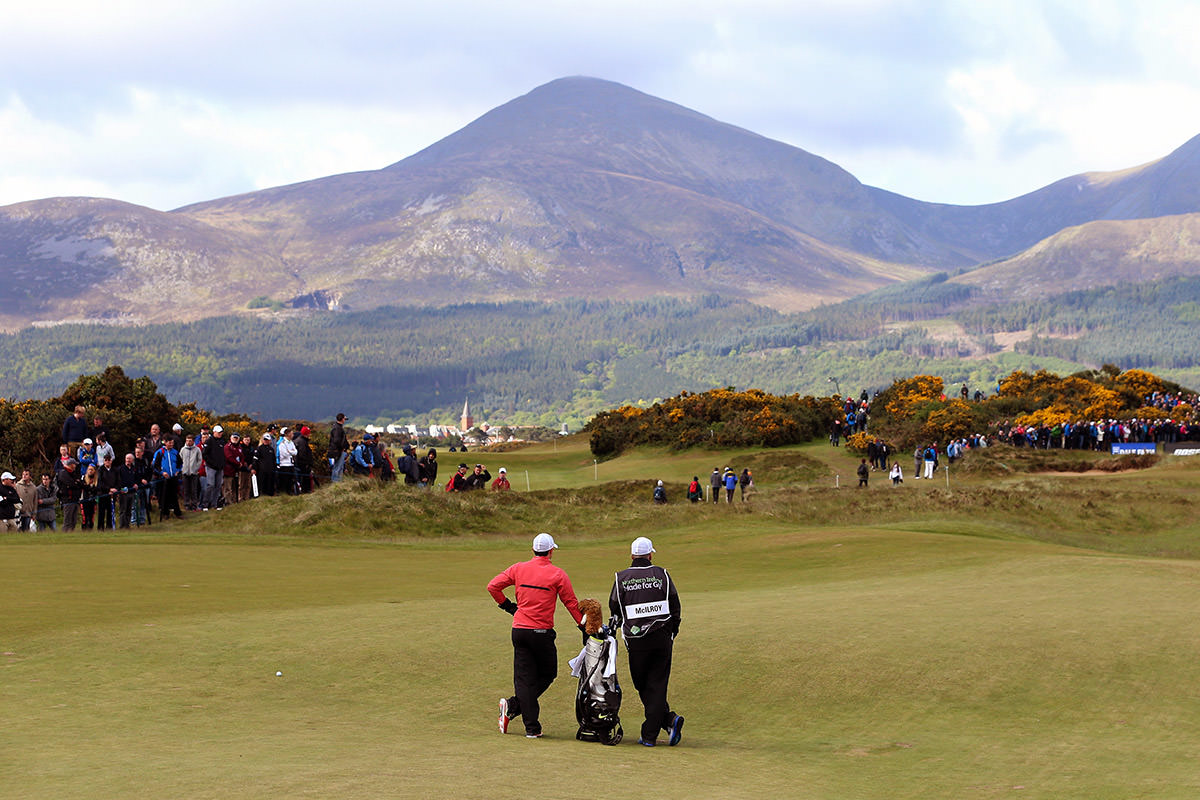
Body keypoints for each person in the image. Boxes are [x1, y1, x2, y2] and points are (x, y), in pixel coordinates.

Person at [487, 532, 584, 739]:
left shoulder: (518, 568)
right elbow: (571, 604)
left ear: (533, 550)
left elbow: (493, 586)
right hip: (542, 633)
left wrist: (509, 607)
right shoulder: (558, 574)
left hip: (520, 631)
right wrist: (584, 628)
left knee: (524, 680)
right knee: (547, 674)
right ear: (550, 552)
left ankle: (517, 709)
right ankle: (527, 722)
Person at [608, 536, 684, 747]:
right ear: (650, 555)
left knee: (643, 684)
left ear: (632, 555)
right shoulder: (662, 574)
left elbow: (615, 607)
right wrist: (672, 631)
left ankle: (650, 734)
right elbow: (675, 605)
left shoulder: (620, 578)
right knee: (655, 685)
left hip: (635, 640)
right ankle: (668, 720)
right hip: (662, 637)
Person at [153, 438, 183, 520]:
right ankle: (165, 513)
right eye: (169, 442)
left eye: (172, 443)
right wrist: (162, 473)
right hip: (163, 478)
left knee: (174, 495)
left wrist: (178, 471)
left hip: (173, 477)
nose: (171, 444)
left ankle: (178, 513)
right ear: (165, 442)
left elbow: (180, 463)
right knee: (164, 496)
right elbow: (155, 466)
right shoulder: (160, 452)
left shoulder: (175, 452)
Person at [202, 425, 227, 509]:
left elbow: (223, 454)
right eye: (219, 432)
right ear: (214, 432)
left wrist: (223, 463)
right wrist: (212, 463)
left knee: (218, 486)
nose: (220, 434)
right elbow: (205, 454)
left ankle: (214, 504)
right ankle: (205, 504)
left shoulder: (222, 441)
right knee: (210, 485)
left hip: (220, 468)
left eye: (221, 432)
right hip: (211, 467)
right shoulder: (209, 441)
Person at [57, 459, 82, 531]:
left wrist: (77, 483)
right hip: (68, 500)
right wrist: (76, 483)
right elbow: (72, 483)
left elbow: (78, 483)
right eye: (74, 464)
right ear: (71, 465)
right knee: (67, 521)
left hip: (75, 500)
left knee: (73, 521)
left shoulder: (73, 473)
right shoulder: (63, 473)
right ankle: (64, 535)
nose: (75, 466)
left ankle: (71, 535)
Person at [180, 434, 202, 510]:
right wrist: (182, 468)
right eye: (187, 440)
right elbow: (180, 459)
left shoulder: (197, 450)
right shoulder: (183, 449)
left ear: (193, 441)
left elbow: (199, 460)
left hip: (194, 472)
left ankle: (194, 504)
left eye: (190, 441)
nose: (188, 442)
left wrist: (196, 468)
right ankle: (186, 504)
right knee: (186, 489)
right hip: (185, 472)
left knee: (194, 490)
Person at [328, 413, 349, 482]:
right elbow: (337, 441)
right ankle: (335, 483)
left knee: (339, 467)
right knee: (337, 468)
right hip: (338, 451)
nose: (344, 420)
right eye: (344, 419)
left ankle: (338, 482)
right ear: (342, 419)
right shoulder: (338, 428)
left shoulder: (337, 427)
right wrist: (342, 447)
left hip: (337, 451)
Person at [293, 426, 314, 493]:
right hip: (303, 464)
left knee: (304, 477)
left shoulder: (300, 440)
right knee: (305, 478)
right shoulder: (302, 442)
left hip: (300, 463)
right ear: (306, 434)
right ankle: (305, 490)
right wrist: (307, 463)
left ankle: (305, 490)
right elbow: (302, 454)